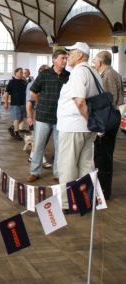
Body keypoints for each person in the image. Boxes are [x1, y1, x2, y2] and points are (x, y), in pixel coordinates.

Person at [57, 42, 101, 207]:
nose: (68, 55)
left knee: (67, 166)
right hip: (87, 128)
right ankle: (85, 200)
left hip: (73, 127)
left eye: (71, 52)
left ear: (81, 55)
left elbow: (80, 101)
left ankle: (67, 203)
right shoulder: (93, 72)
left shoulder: (78, 73)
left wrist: (88, 120)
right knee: (86, 165)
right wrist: (92, 123)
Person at [26, 50, 70, 183]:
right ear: (54, 60)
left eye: (66, 58)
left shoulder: (68, 76)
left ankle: (57, 173)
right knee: (39, 146)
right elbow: (33, 92)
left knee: (59, 147)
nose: (65, 61)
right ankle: (35, 172)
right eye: (62, 58)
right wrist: (42, 102)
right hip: (43, 117)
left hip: (61, 118)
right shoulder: (44, 74)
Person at [93, 51, 123, 200]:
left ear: (100, 62)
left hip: (108, 118)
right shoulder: (108, 73)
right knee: (101, 156)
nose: (93, 62)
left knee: (103, 157)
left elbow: (108, 101)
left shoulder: (109, 74)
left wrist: (102, 125)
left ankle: (103, 192)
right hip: (109, 117)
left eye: (94, 60)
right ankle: (102, 190)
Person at [25, 64, 52, 168]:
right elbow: (29, 102)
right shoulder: (32, 84)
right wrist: (29, 116)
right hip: (38, 113)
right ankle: (42, 160)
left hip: (49, 114)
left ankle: (32, 156)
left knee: (42, 139)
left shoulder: (49, 83)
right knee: (39, 138)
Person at [3, 67, 27, 141]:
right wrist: (6, 103)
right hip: (15, 103)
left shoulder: (24, 82)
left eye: (22, 72)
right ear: (15, 73)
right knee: (16, 119)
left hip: (23, 103)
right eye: (20, 72)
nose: (21, 73)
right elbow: (7, 93)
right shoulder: (11, 82)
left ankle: (12, 128)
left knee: (21, 118)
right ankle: (16, 133)